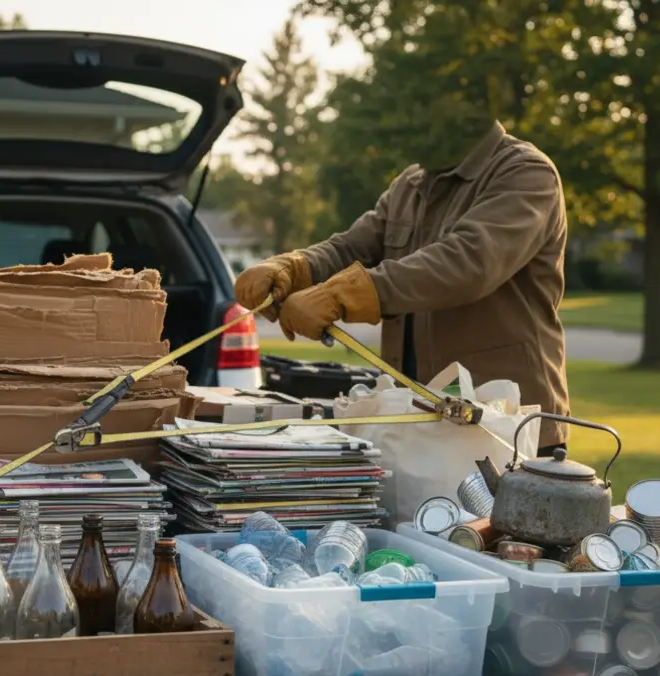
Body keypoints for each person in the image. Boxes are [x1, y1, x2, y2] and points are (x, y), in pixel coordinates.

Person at [234, 116, 570, 455]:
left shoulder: (526, 173)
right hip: (421, 423)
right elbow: (352, 247)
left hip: (508, 431)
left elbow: (468, 262)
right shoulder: (411, 184)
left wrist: (340, 295)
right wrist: (295, 266)